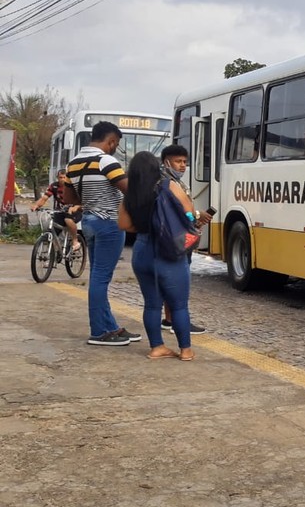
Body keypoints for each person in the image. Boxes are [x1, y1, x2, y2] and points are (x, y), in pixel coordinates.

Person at [61, 121, 139, 347]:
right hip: (109, 223)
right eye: (116, 144)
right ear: (111, 141)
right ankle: (98, 332)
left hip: (90, 223)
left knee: (98, 275)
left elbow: (69, 199)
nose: (115, 147)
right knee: (100, 278)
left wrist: (91, 198)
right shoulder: (106, 160)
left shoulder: (73, 163)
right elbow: (128, 190)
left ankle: (110, 327)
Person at [118, 151, 196, 360]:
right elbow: (189, 212)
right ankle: (186, 350)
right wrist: (188, 219)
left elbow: (123, 225)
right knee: (178, 304)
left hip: (142, 252)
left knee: (152, 303)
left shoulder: (130, 193)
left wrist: (146, 227)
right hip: (168, 251)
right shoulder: (169, 185)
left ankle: (157, 347)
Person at [160, 144, 212, 334]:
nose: (182, 166)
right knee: (178, 281)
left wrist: (195, 219)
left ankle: (169, 318)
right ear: (166, 162)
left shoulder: (175, 181)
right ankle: (178, 321)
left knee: (171, 280)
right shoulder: (167, 183)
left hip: (179, 236)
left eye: (185, 162)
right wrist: (197, 215)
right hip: (176, 239)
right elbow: (179, 211)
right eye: (178, 161)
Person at [30, 169, 82, 250]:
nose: (62, 179)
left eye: (64, 177)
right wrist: (36, 205)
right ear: (57, 177)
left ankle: (75, 240)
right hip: (60, 212)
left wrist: (77, 207)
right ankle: (56, 252)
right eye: (60, 177)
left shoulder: (73, 186)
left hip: (74, 211)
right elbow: (44, 198)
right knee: (51, 229)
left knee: (68, 220)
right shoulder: (54, 186)